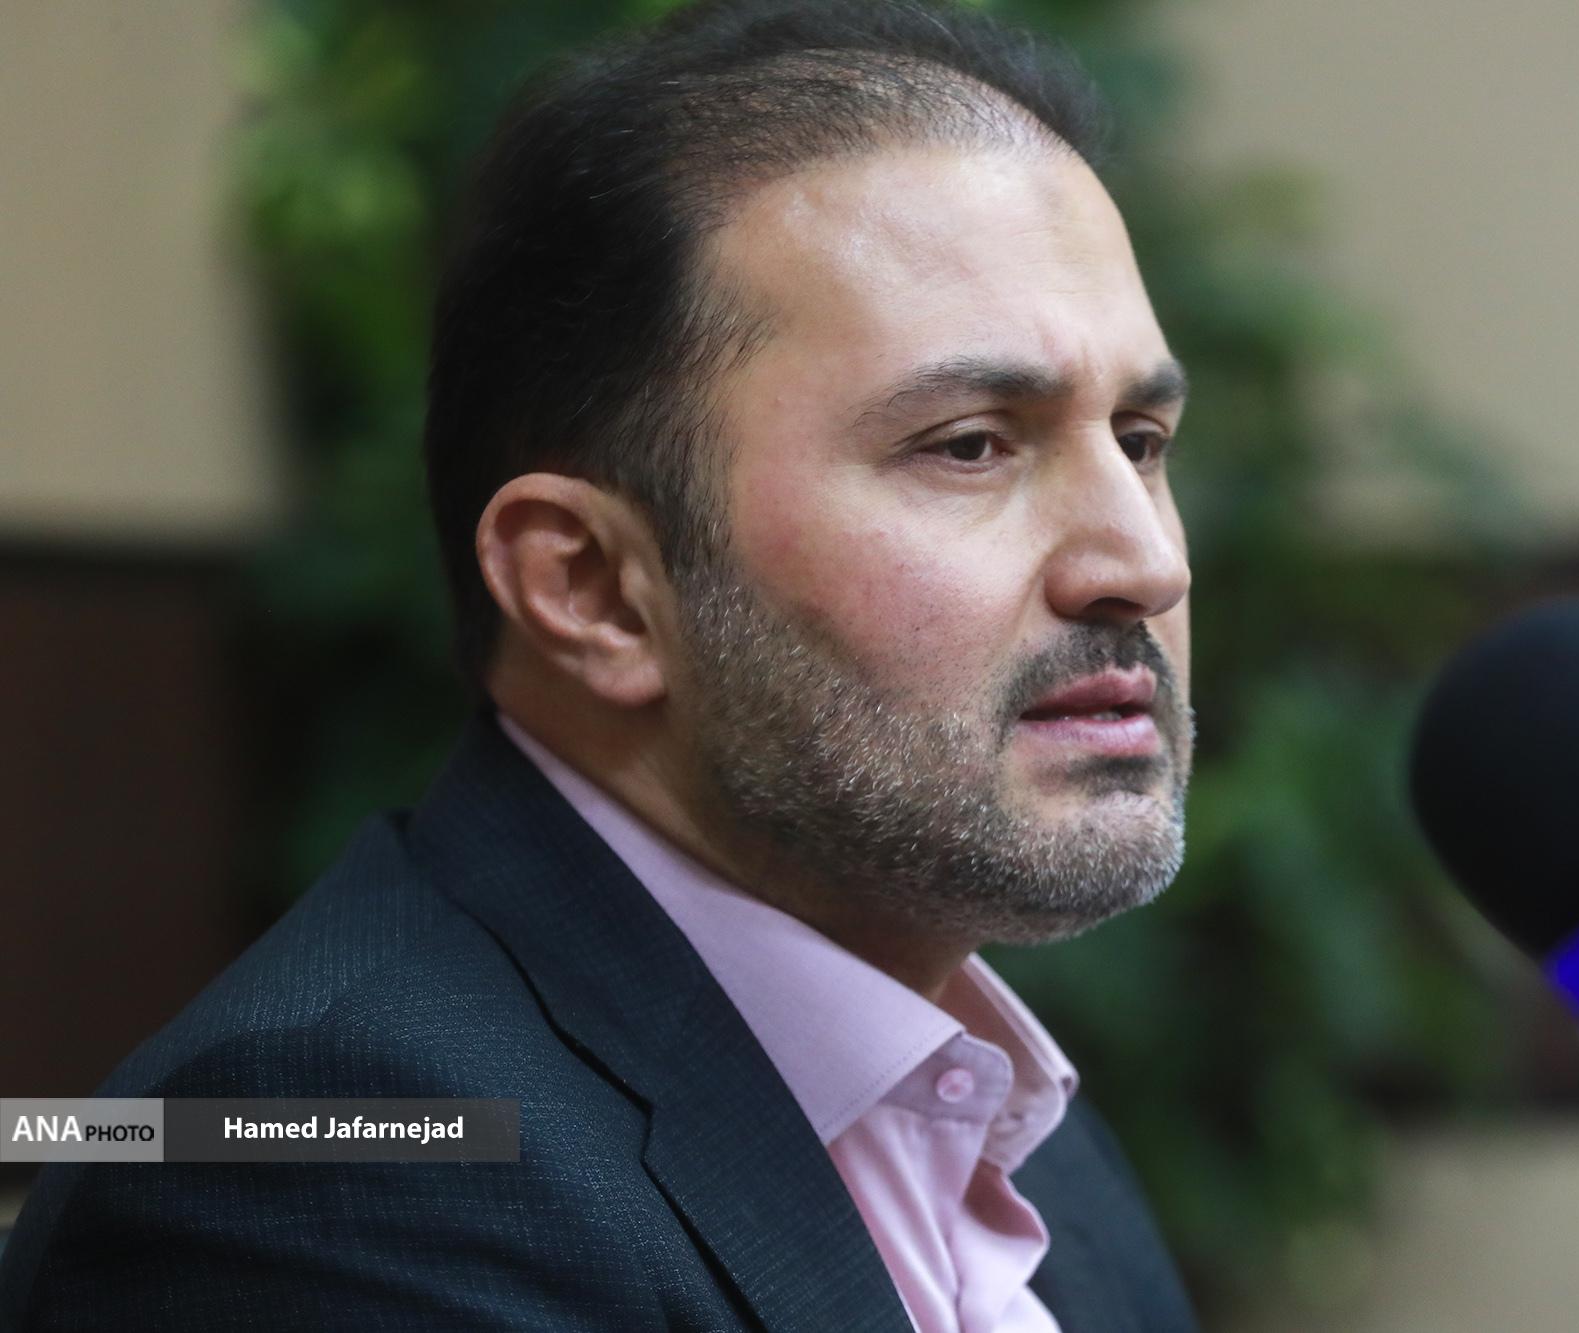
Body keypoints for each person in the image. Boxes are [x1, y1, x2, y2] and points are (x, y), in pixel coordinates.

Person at [0, 0, 1201, 1327]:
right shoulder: (324, 1169)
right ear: (591, 590)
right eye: (969, 444)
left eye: (1141, 441)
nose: (1144, 562)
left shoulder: (1011, 1122)